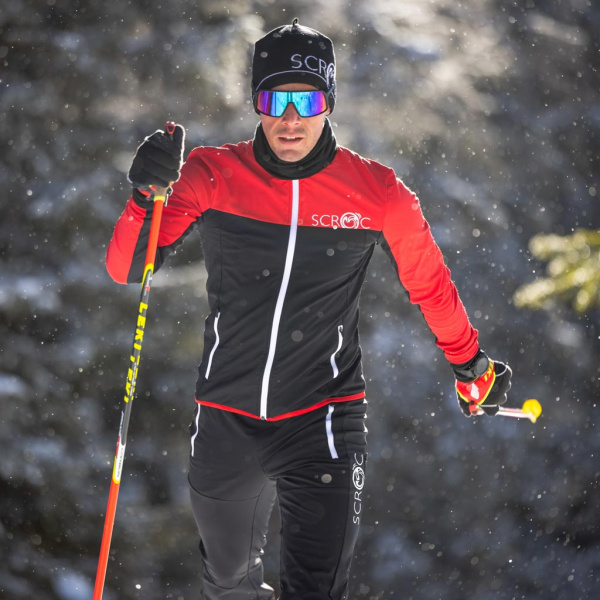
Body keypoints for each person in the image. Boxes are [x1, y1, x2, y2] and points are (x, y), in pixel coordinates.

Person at [106, 18, 512, 600]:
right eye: (275, 99)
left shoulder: (378, 193)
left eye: (307, 98)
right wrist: (145, 193)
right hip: (226, 414)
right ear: (257, 103)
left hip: (323, 419)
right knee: (227, 585)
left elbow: (430, 285)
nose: (291, 118)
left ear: (328, 102)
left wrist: (471, 365)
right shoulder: (210, 175)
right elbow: (127, 267)